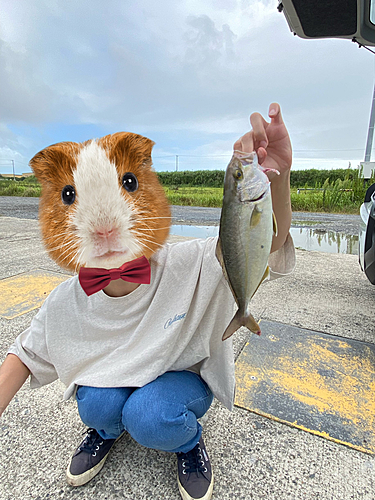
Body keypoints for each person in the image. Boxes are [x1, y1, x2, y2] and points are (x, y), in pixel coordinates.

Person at [0, 103, 294, 500]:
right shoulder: (67, 300)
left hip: (178, 378)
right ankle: (105, 431)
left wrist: (279, 179)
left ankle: (188, 443)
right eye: (71, 195)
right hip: (117, 375)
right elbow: (24, 354)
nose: (103, 227)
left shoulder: (188, 263)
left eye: (129, 184)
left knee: (150, 416)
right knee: (97, 404)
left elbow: (259, 244)